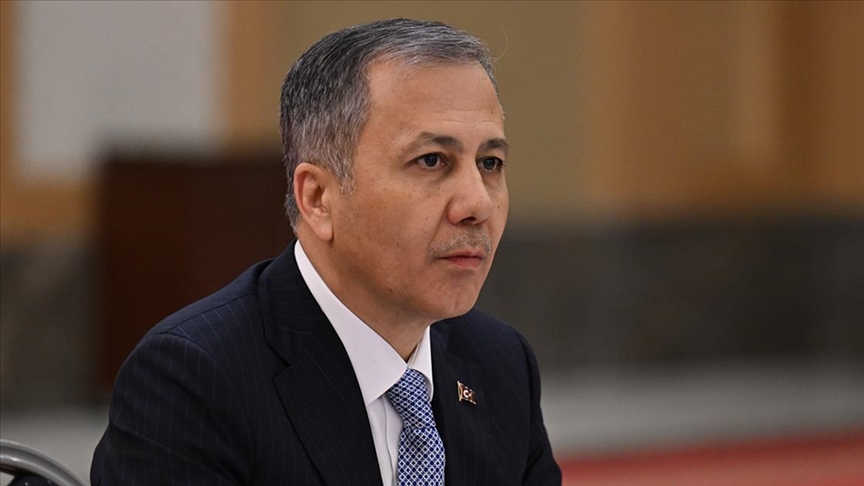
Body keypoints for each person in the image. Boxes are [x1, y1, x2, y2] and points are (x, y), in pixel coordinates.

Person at [91, 18, 561, 485]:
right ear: (317, 198)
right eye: (432, 161)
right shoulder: (193, 379)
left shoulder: (501, 364)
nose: (478, 204)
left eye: (490, 163)